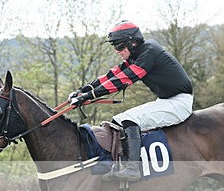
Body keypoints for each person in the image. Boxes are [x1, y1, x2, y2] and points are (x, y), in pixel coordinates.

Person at [68, 21, 194, 181]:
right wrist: (83, 90)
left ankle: (133, 169)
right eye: (115, 47)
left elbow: (123, 79)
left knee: (129, 119)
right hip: (165, 100)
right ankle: (119, 164)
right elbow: (112, 75)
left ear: (133, 43)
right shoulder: (136, 55)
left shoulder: (149, 52)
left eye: (120, 46)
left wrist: (88, 96)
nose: (117, 51)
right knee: (118, 120)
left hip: (179, 103)